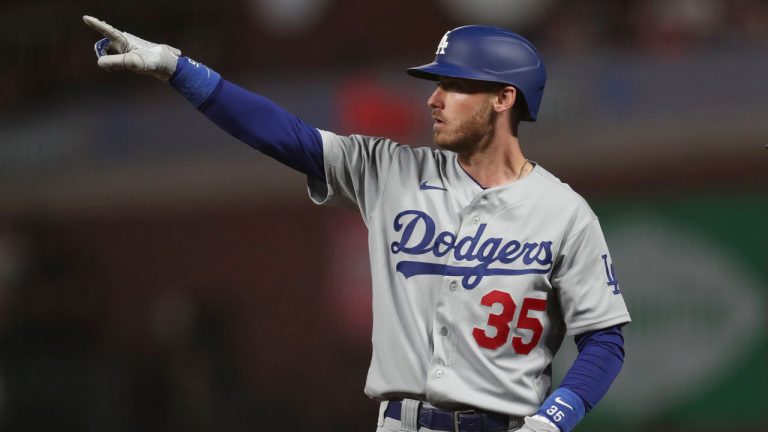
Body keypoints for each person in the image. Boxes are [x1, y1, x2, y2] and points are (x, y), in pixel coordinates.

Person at [83, 16, 631, 432]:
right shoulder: (390, 171)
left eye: (454, 86)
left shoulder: (563, 211)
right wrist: (179, 68)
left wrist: (555, 418)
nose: (433, 99)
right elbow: (284, 135)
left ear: (503, 99)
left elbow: (604, 339)